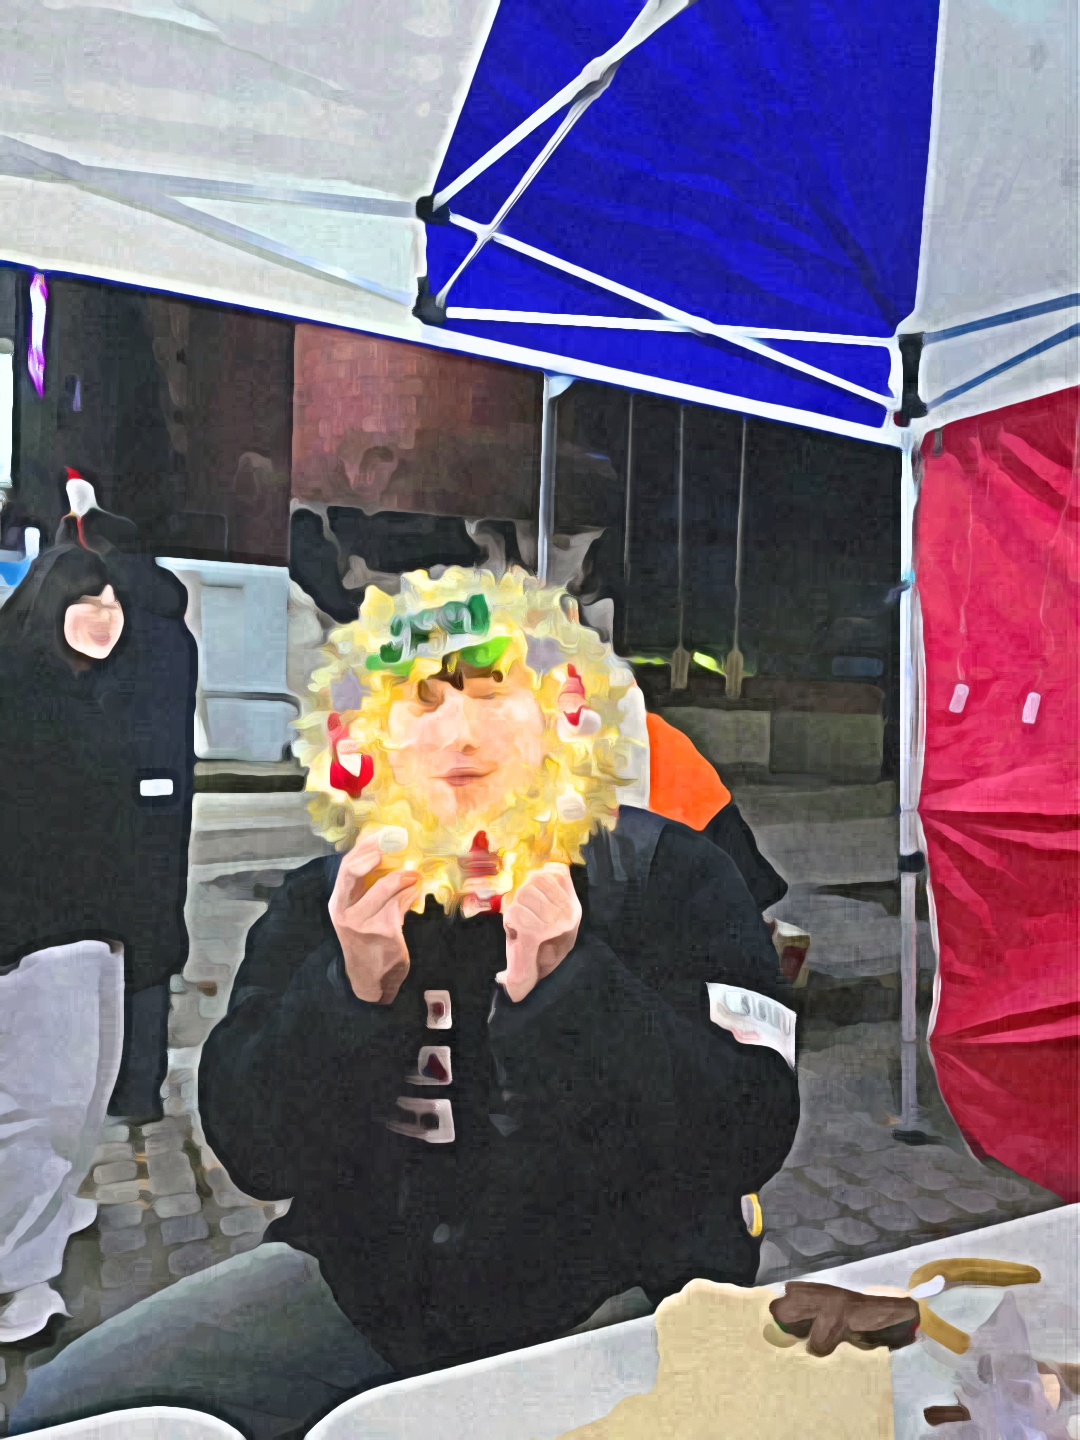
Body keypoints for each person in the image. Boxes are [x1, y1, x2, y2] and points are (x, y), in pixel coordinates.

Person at [12, 568, 800, 1438]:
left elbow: (750, 1131)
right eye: (420, 701)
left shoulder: (667, 878)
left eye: (492, 690)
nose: (459, 731)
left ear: (561, 717)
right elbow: (256, 1152)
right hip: (371, 1299)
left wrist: (573, 986)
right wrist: (351, 990)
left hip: (613, 1301)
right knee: (65, 1408)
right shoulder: (326, 902)